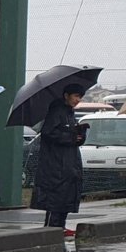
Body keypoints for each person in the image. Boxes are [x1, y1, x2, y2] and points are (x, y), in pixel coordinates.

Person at [30, 84, 88, 234]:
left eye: (79, 97)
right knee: (56, 197)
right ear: (66, 96)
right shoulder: (57, 112)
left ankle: (60, 226)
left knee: (66, 195)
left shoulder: (69, 113)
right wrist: (71, 136)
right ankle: (53, 228)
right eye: (75, 96)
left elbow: (71, 137)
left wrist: (80, 133)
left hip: (69, 162)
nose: (78, 100)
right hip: (56, 164)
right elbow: (49, 133)